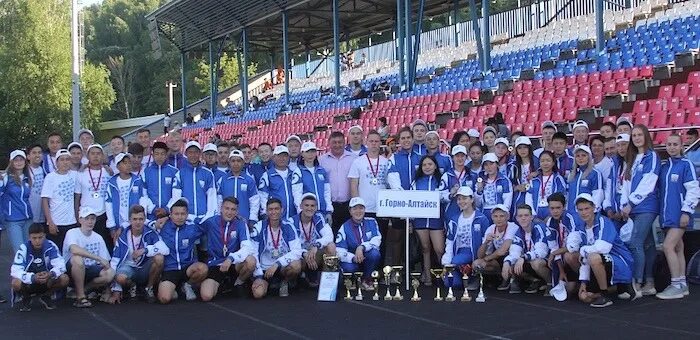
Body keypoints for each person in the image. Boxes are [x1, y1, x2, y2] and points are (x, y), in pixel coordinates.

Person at [566, 194, 635, 308]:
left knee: (593, 256)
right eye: (580, 210)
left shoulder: (603, 221)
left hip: (620, 261)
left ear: (594, 208)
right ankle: (611, 288)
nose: (584, 212)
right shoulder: (582, 227)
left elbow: (603, 248)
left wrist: (583, 250)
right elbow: (584, 258)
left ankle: (605, 295)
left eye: (587, 208)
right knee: (584, 297)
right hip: (598, 262)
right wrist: (584, 281)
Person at [657, 133, 699, 299]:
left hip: (679, 216)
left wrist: (686, 212)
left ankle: (675, 284)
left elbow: (694, 190)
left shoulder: (686, 165)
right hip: (667, 216)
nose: (672, 147)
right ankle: (682, 283)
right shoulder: (665, 166)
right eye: (669, 144)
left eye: (675, 144)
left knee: (668, 246)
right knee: (678, 247)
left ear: (682, 146)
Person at [621, 124, 661, 296]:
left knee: (635, 242)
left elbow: (649, 183)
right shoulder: (633, 158)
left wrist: (631, 202)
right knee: (648, 244)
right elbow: (626, 184)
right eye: (634, 135)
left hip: (647, 206)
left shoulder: (652, 156)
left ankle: (636, 283)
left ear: (646, 136)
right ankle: (650, 282)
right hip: (634, 208)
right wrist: (625, 204)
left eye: (639, 135)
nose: (636, 138)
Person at [199, 197, 257, 301]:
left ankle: (238, 283)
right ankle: (222, 285)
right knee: (206, 296)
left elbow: (247, 248)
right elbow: (193, 230)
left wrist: (231, 258)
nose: (229, 212)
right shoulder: (210, 222)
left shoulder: (241, 224)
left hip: (234, 264)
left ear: (237, 211)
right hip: (216, 264)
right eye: (227, 208)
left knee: (251, 261)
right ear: (221, 208)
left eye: (233, 209)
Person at [107, 205, 167, 304]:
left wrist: (145, 250)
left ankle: (149, 288)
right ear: (129, 220)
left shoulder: (150, 233)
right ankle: (132, 286)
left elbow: (165, 249)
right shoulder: (122, 236)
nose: (138, 222)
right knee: (120, 277)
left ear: (144, 220)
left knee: (159, 258)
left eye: (140, 219)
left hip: (144, 267)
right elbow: (115, 261)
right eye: (135, 219)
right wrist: (116, 289)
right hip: (129, 267)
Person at [153, 199, 208, 303]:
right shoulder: (162, 226)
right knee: (164, 299)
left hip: (188, 268)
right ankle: (170, 287)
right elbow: (145, 225)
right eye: (176, 214)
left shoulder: (193, 228)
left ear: (187, 214)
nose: (180, 217)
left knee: (203, 269)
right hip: (170, 269)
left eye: (183, 214)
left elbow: (210, 223)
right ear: (170, 215)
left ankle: (188, 285)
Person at [63, 207, 115, 308]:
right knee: (78, 259)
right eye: (87, 219)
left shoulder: (98, 237)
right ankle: (80, 297)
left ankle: (83, 290)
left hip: (90, 270)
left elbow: (106, 262)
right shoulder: (72, 232)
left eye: (92, 219)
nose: (90, 222)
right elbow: (74, 249)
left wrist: (108, 290)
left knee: (110, 273)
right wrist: (98, 258)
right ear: (80, 220)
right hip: (72, 270)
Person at [10, 223, 69, 311]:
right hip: (29, 283)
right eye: (34, 238)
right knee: (15, 282)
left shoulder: (50, 246)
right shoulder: (23, 248)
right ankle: (26, 297)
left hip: (47, 281)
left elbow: (61, 265)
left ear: (44, 236)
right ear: (29, 237)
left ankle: (47, 295)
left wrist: (50, 274)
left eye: (40, 237)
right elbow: (15, 270)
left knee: (65, 278)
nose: (37, 241)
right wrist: (33, 277)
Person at [251, 198, 302, 298]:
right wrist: (258, 275)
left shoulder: (288, 226)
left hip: (281, 267)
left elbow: (297, 251)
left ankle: (285, 282)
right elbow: (253, 252)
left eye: (276, 209)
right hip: (264, 269)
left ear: (282, 210)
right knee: (258, 294)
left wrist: (277, 264)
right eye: (270, 209)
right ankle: (267, 284)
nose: (274, 212)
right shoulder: (259, 226)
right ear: (266, 211)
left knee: (296, 265)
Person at [442, 186, 488, 290]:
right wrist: (447, 261)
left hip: (475, 253)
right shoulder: (454, 220)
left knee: (457, 260)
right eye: (459, 199)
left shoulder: (481, 218)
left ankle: (475, 276)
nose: (461, 201)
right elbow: (449, 241)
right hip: (459, 252)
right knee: (451, 283)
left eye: (464, 198)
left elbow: (486, 240)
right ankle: (466, 278)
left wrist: (484, 257)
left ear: (472, 199)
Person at [411, 155, 446, 285]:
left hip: (436, 219)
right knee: (425, 248)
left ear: (435, 166)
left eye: (430, 164)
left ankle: (446, 274)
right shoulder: (416, 182)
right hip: (420, 220)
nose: (427, 167)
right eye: (424, 165)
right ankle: (427, 275)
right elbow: (411, 201)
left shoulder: (441, 180)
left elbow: (445, 197)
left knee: (439, 249)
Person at [289, 193, 336, 286]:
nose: (309, 208)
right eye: (306, 205)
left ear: (316, 207)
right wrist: (305, 253)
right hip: (300, 256)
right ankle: (291, 280)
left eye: (312, 206)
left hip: (314, 254)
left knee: (331, 246)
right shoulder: (291, 222)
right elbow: (291, 247)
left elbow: (329, 236)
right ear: (301, 206)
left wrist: (316, 245)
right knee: (294, 264)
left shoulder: (319, 218)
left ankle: (327, 284)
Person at [336, 197, 382, 290]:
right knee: (349, 268)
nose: (358, 211)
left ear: (365, 209)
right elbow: (339, 250)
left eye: (361, 208)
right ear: (350, 211)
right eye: (355, 208)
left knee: (375, 254)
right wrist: (352, 258)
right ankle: (352, 280)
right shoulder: (344, 227)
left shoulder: (372, 221)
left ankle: (367, 280)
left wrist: (362, 247)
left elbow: (376, 240)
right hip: (352, 260)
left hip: (366, 256)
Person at [74, 144, 112, 252]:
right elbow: (77, 196)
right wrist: (77, 215)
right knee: (87, 245)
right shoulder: (81, 173)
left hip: (103, 214)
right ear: (87, 156)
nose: (96, 156)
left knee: (105, 244)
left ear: (102, 156)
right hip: (86, 215)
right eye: (93, 154)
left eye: (98, 154)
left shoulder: (108, 172)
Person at [506, 205, 552, 294]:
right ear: (516, 218)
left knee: (536, 263)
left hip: (548, 262)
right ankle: (534, 281)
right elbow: (515, 251)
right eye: (520, 216)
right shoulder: (519, 231)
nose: (523, 218)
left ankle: (551, 283)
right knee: (511, 261)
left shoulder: (539, 228)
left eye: (526, 215)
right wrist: (507, 262)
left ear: (531, 217)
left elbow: (541, 252)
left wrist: (523, 258)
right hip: (529, 260)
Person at [473, 205, 519, 290]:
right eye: (496, 216)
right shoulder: (491, 228)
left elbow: (503, 250)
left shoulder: (513, 227)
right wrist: (486, 242)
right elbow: (480, 255)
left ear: (507, 217)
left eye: (502, 216)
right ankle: (501, 277)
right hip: (499, 259)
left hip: (514, 258)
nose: (499, 219)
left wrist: (486, 259)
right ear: (492, 218)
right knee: (477, 263)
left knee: (510, 259)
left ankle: (514, 280)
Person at [170, 141, 217, 225]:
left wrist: (208, 217)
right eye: (190, 152)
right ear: (186, 154)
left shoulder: (208, 174)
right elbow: (176, 199)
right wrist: (187, 217)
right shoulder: (180, 174)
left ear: (200, 153)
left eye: (196, 152)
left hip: (205, 221)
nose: (193, 155)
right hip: (186, 221)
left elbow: (212, 198)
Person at [320, 131, 357, 233]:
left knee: (349, 235)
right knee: (331, 236)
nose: (337, 145)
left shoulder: (354, 159)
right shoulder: (321, 160)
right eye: (334, 142)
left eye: (340, 142)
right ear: (329, 143)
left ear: (344, 142)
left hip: (348, 205)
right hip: (331, 206)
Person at [106, 153, 147, 245]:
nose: (128, 165)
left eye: (129, 162)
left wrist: (143, 218)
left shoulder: (137, 181)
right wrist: (112, 226)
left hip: (135, 222)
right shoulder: (112, 183)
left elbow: (143, 200)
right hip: (118, 223)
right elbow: (108, 204)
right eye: (125, 163)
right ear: (118, 166)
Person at [41, 149, 77, 250]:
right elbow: (44, 201)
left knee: (71, 252)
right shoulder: (50, 177)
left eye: (67, 159)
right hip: (56, 222)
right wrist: (50, 222)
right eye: (62, 160)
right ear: (57, 162)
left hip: (71, 222)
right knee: (57, 252)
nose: (65, 162)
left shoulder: (74, 175)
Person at [545, 193, 579, 296]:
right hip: (562, 257)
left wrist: (553, 253)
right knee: (568, 291)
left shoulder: (571, 218)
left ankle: (585, 281)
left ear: (564, 207)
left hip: (578, 255)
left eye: (558, 208)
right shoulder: (550, 222)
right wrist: (561, 271)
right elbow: (553, 246)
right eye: (552, 208)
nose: (555, 211)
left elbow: (573, 246)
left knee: (569, 256)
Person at [258, 145, 302, 220]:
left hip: (293, 217)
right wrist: (265, 214)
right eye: (279, 156)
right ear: (274, 157)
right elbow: (263, 196)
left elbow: (298, 194)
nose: (282, 159)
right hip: (275, 219)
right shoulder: (267, 175)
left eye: (284, 156)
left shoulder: (294, 174)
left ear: (288, 157)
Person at [2, 150, 33, 254]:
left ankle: (28, 270)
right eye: (16, 160)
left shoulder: (27, 178)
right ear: (11, 162)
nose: (19, 162)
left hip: (28, 219)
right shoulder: (5, 177)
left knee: (29, 249)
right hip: (13, 220)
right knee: (20, 251)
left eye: (21, 160)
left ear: (25, 162)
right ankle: (19, 270)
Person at [217, 149, 260, 224]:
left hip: (244, 220)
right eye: (233, 161)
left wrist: (252, 219)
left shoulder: (249, 180)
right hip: (225, 220)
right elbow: (219, 200)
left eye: (238, 161)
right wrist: (218, 216)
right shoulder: (223, 180)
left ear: (243, 163)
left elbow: (254, 201)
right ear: (229, 162)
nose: (236, 163)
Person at [142, 141, 179, 220]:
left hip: (170, 216)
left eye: (162, 154)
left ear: (166, 155)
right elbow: (143, 194)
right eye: (157, 154)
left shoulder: (174, 172)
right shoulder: (146, 172)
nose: (159, 156)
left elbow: (176, 195)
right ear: (153, 155)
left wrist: (167, 209)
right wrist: (152, 209)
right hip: (151, 215)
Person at [525, 151, 567, 220]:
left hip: (553, 214)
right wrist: (532, 215)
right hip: (535, 215)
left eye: (548, 160)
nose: (545, 163)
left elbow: (563, 196)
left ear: (553, 163)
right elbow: (528, 198)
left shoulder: (558, 179)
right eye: (542, 161)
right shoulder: (534, 180)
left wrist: (552, 215)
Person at [297, 141, 333, 220]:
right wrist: (300, 212)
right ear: (302, 154)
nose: (310, 154)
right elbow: (297, 194)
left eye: (313, 151)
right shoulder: (298, 171)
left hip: (323, 212)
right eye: (307, 152)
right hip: (307, 213)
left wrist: (329, 211)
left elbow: (326, 192)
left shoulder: (321, 171)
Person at [475, 153, 513, 225]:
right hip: (484, 214)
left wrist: (501, 215)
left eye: (491, 164)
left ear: (497, 165)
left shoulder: (504, 180)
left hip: (499, 214)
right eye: (486, 164)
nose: (489, 167)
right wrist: (479, 190)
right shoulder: (480, 180)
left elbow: (507, 202)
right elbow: (477, 204)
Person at [566, 145, 604, 217]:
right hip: (571, 214)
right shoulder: (572, 175)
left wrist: (594, 213)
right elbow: (568, 195)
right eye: (578, 156)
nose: (580, 158)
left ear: (589, 157)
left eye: (583, 155)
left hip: (587, 215)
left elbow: (598, 195)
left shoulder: (595, 173)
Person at [441, 145, 477, 219]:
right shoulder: (447, 175)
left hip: (470, 212)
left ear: (466, 157)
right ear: (452, 158)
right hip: (451, 212)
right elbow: (440, 196)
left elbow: (477, 197)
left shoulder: (472, 175)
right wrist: (450, 195)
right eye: (457, 156)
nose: (460, 158)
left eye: (462, 156)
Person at [603, 134, 630, 228]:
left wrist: (623, 208)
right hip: (615, 213)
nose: (610, 151)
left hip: (628, 211)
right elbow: (609, 189)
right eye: (618, 146)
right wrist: (608, 208)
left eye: (612, 147)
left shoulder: (632, 163)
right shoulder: (614, 166)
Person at [509, 136, 538, 218]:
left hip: (534, 195)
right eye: (520, 148)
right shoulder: (513, 166)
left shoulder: (537, 162)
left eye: (525, 147)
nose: (522, 150)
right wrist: (517, 187)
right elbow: (510, 184)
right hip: (519, 197)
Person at [27, 144, 47, 229]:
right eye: (34, 153)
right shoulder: (24, 170)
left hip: (42, 213)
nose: (37, 155)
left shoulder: (45, 169)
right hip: (29, 213)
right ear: (28, 156)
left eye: (39, 152)